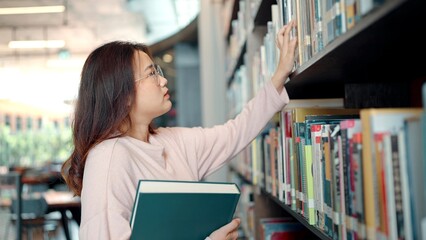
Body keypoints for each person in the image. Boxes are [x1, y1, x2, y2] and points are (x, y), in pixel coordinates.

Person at [61, 20, 297, 240]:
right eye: (152, 73)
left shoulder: (174, 142)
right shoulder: (108, 159)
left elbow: (236, 132)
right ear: (123, 96)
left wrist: (279, 75)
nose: (163, 81)